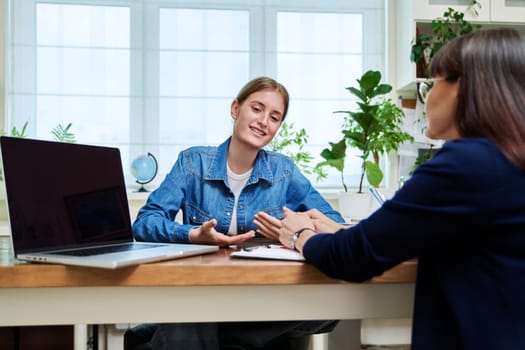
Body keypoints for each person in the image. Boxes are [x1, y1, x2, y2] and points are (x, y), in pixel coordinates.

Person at [261, 28, 525, 350]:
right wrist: (337, 229)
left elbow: (355, 257)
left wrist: (298, 234)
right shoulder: (504, 161)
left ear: (463, 88)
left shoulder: (465, 164)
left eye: (432, 83)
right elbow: (463, 242)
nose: (427, 96)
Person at [132, 76, 345, 349]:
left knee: (327, 311)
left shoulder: (284, 171)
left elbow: (334, 223)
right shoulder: (192, 162)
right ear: (236, 109)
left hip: (262, 292)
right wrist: (194, 234)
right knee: (195, 314)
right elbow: (145, 222)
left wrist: (297, 227)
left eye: (274, 117)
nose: (263, 121)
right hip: (204, 288)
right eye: (257, 109)